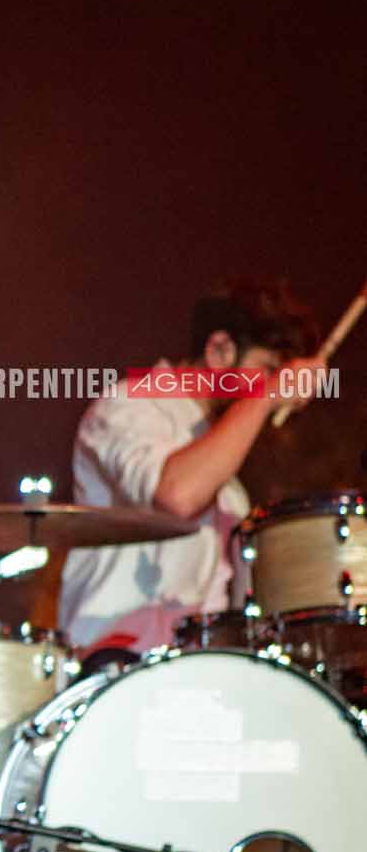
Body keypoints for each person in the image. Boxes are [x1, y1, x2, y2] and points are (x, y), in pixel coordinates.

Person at [58, 281, 327, 666]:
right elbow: (178, 495)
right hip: (113, 665)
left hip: (196, 673)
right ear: (219, 351)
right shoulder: (131, 405)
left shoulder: (229, 488)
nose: (276, 388)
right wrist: (264, 395)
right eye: (265, 369)